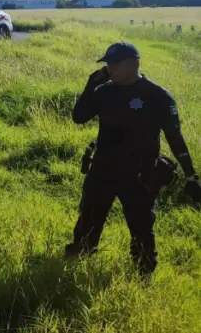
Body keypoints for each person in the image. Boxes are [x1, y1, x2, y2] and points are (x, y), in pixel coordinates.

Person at [66, 41, 201, 276]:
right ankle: (75, 267)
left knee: (142, 230)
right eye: (108, 63)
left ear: (134, 64)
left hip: (139, 175)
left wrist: (191, 175)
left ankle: (144, 275)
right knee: (87, 224)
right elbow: (79, 117)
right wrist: (91, 84)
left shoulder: (156, 96)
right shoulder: (104, 91)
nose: (111, 68)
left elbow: (175, 137)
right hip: (103, 170)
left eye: (115, 64)